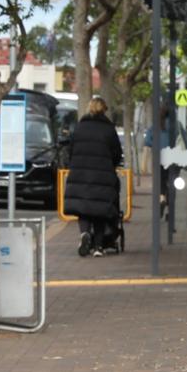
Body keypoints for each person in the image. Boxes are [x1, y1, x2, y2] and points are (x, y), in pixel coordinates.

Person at [63, 96, 122, 257]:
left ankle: (84, 234)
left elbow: (71, 149)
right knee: (100, 210)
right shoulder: (109, 129)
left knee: (84, 209)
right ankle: (98, 247)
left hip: (80, 174)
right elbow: (117, 153)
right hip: (102, 176)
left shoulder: (80, 127)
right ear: (104, 110)